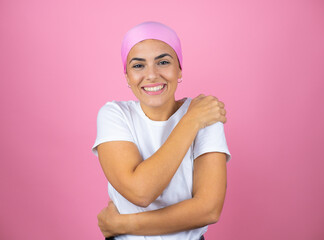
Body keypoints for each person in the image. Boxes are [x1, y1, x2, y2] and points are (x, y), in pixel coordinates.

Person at [92, 21, 231, 240]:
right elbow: (141, 191)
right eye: (138, 66)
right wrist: (192, 121)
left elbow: (208, 209)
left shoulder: (205, 113)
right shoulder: (114, 114)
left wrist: (122, 224)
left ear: (179, 69)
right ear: (127, 77)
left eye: (163, 62)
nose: (152, 75)